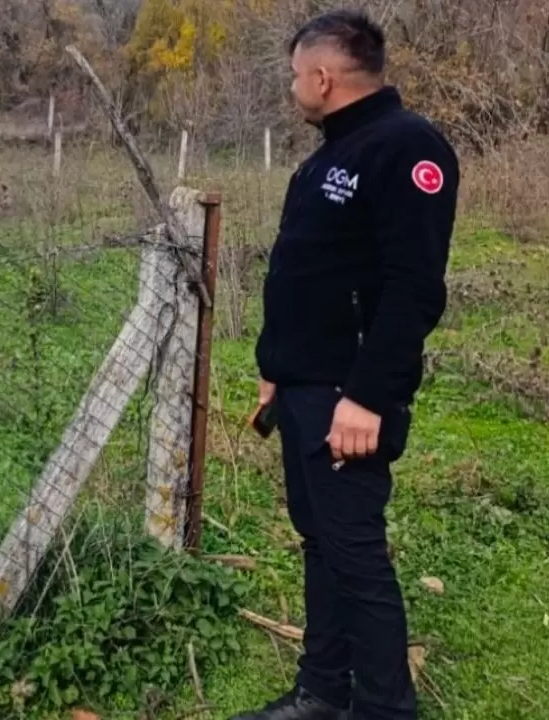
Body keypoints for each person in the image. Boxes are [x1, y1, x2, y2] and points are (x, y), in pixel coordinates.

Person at [236, 10, 458, 720]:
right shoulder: (331, 155)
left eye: (297, 75)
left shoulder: (405, 147)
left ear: (323, 77)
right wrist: (277, 368)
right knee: (322, 543)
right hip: (306, 389)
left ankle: (388, 709)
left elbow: (413, 287)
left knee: (355, 555)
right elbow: (314, 276)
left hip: (348, 400)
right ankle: (323, 692)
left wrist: (366, 397)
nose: (294, 87)